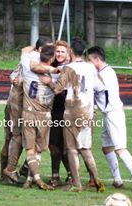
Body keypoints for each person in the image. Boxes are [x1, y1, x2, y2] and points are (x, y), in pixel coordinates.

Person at [40, 37, 106, 192]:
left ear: (70, 52)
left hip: (72, 112)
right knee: (86, 148)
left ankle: (77, 184)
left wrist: (48, 81)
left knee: (71, 149)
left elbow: (57, 89)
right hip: (88, 111)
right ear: (83, 52)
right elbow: (100, 87)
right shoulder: (91, 68)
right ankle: (97, 180)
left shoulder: (68, 69)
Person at [87, 46, 132, 192]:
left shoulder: (107, 73)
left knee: (119, 148)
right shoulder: (102, 71)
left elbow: (97, 86)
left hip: (114, 113)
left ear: (97, 59)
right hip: (107, 114)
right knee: (107, 148)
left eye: (89, 60)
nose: (88, 63)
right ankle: (117, 180)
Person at [0, 37, 52, 184]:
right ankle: (9, 170)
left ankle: (15, 171)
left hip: (21, 102)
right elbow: (17, 76)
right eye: (49, 49)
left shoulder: (31, 55)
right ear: (41, 50)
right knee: (17, 136)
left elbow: (14, 74)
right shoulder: (35, 58)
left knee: (19, 137)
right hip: (18, 102)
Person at [20, 44, 57, 191]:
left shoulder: (27, 67)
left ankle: (29, 180)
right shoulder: (53, 75)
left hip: (27, 113)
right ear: (52, 58)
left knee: (30, 150)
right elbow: (59, 90)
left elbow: (24, 50)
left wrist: (36, 46)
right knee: (39, 150)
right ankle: (37, 179)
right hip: (44, 116)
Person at [48, 40, 72, 187]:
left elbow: (61, 91)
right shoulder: (51, 67)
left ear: (68, 54)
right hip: (53, 110)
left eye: (62, 51)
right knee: (54, 144)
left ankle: (67, 176)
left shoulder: (68, 69)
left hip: (64, 110)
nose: (59, 54)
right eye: (57, 51)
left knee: (60, 144)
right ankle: (58, 176)